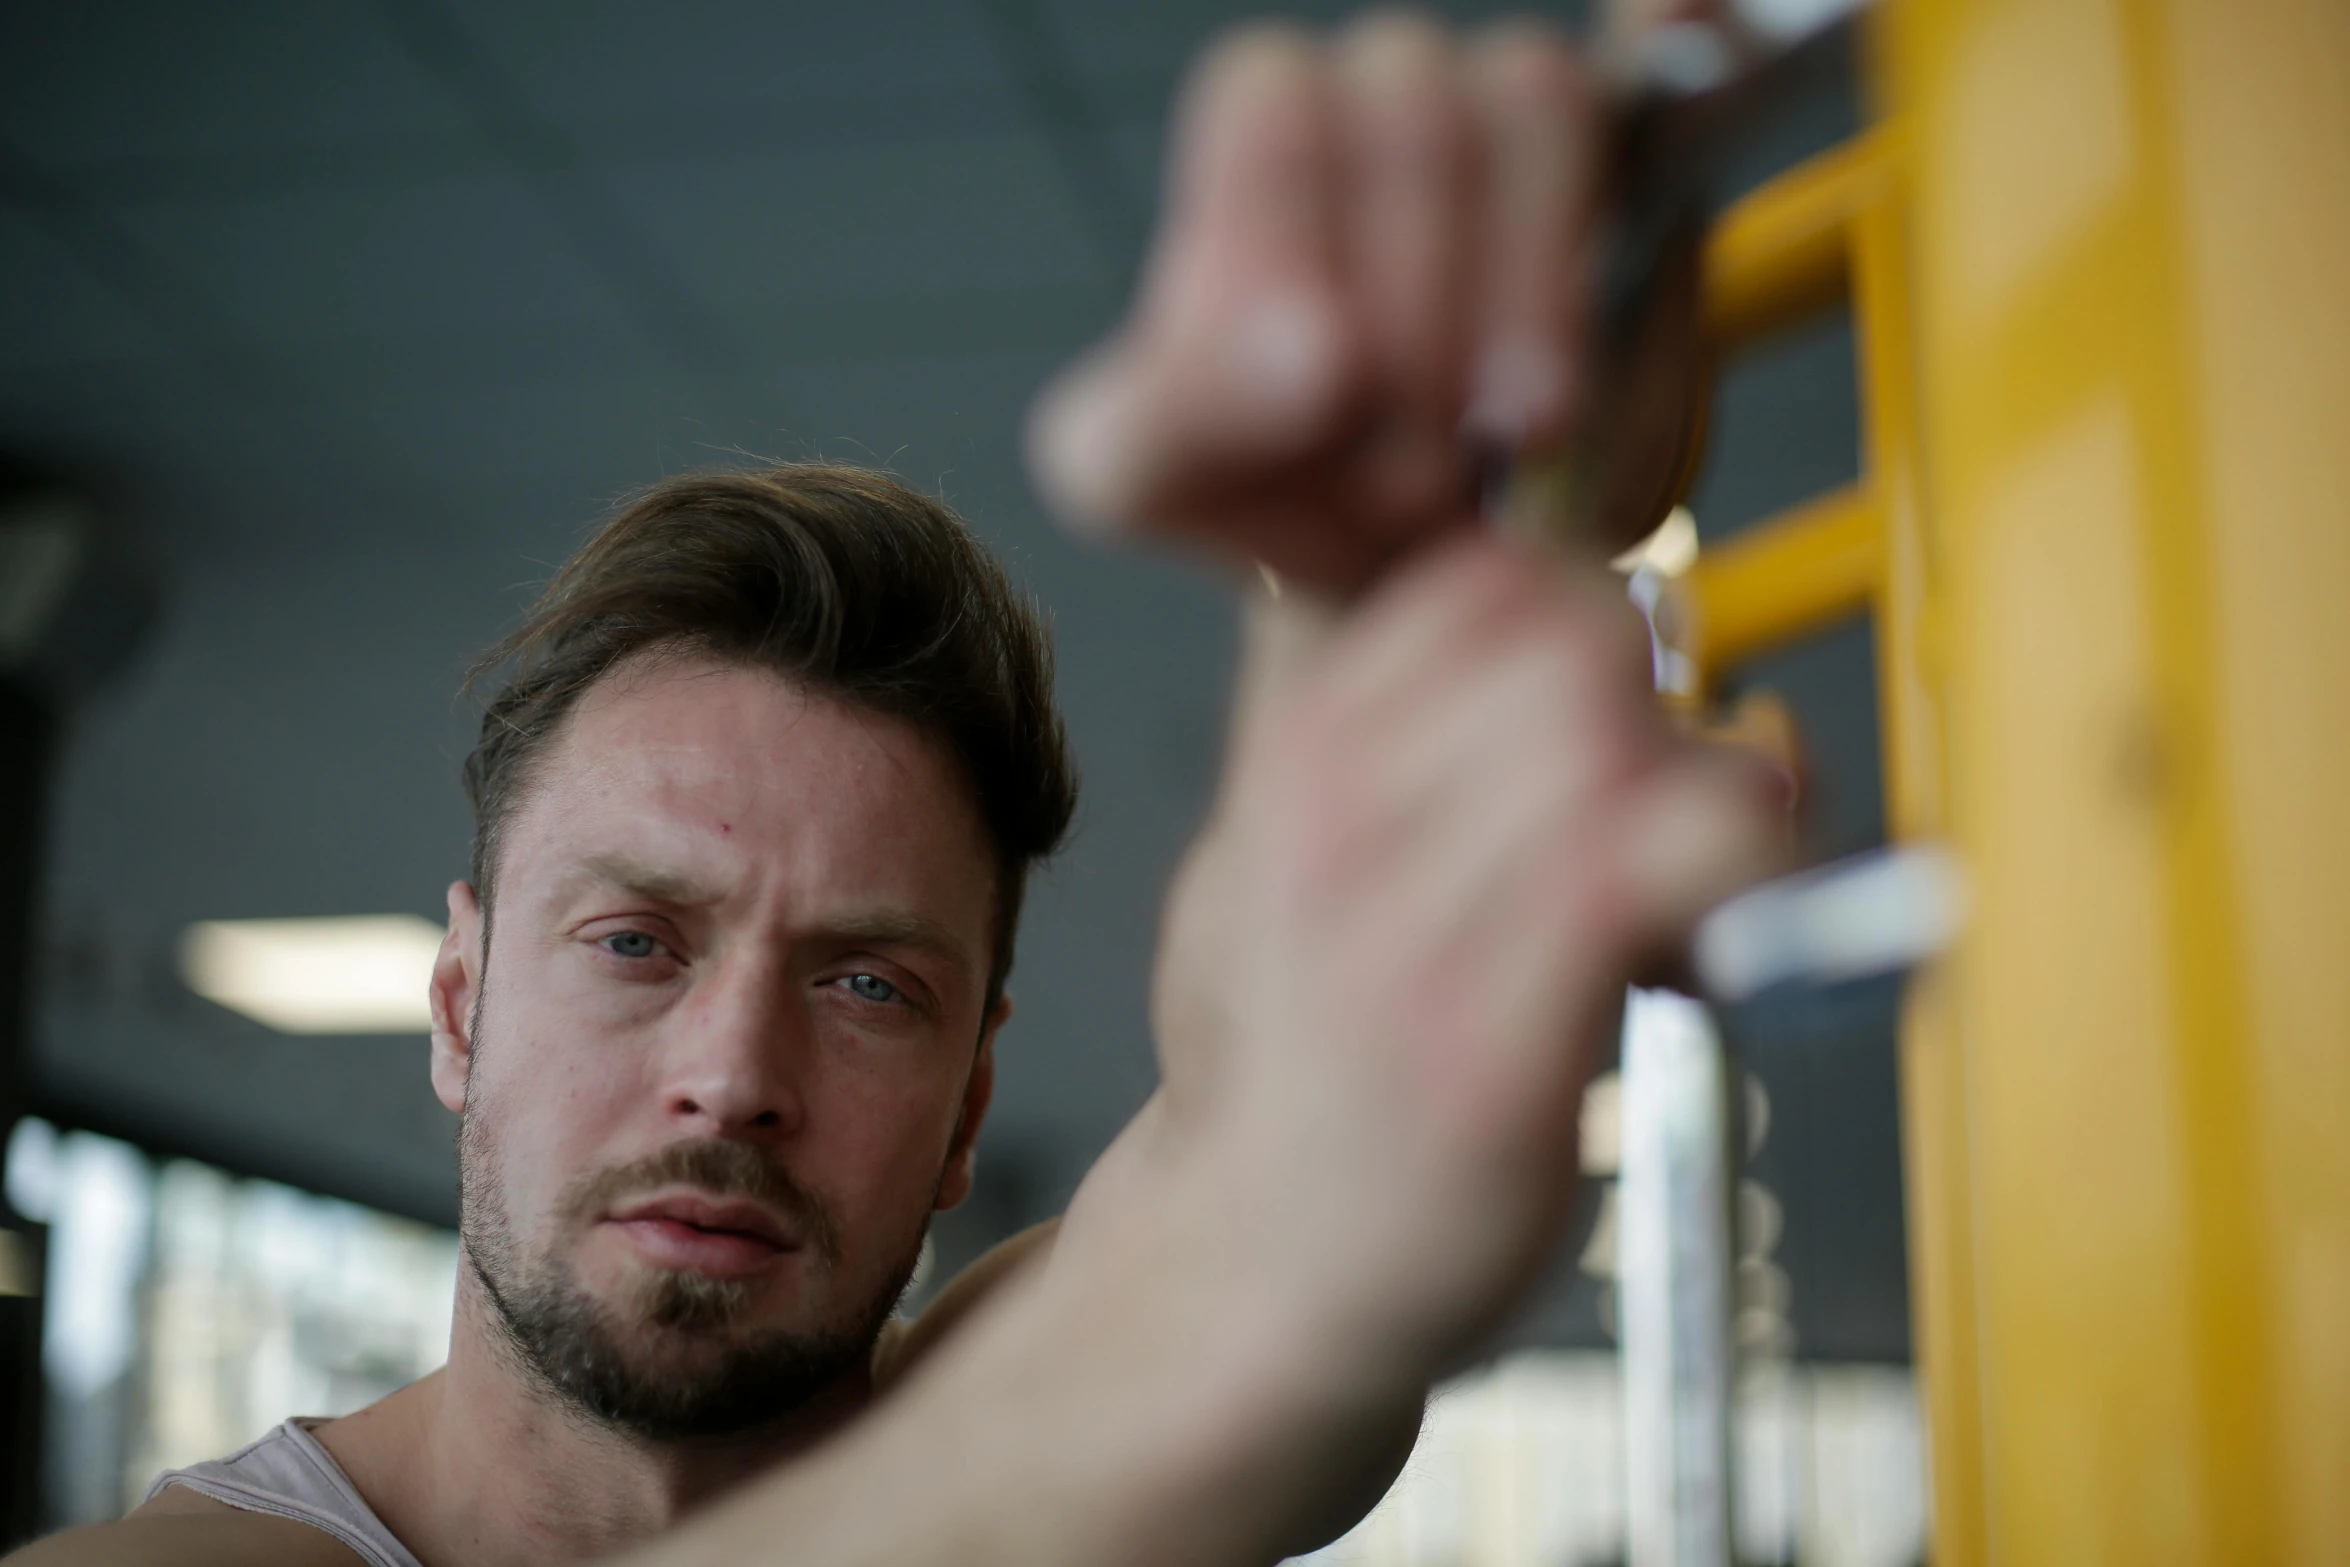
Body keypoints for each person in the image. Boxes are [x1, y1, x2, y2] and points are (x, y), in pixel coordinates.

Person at [13, 10, 1784, 1566]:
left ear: (967, 1112)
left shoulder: (1005, 1401)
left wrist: (1488, 524)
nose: (732, 1074)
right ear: (462, 1006)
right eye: (637, 939)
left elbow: (1265, 1204)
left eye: (867, 984)